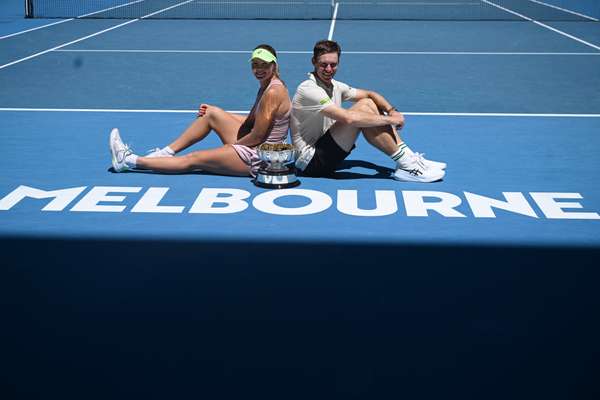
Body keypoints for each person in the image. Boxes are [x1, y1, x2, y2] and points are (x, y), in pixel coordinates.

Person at [109, 44, 291, 177]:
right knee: (211, 113)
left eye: (264, 65)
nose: (259, 69)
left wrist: (232, 147)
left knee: (194, 159)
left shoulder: (273, 92)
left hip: (259, 157)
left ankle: (129, 160)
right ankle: (164, 153)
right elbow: (253, 120)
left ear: (274, 65)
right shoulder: (266, 86)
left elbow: (258, 135)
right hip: (256, 145)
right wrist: (220, 113)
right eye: (255, 64)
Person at [291, 40, 446, 182]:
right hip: (310, 163)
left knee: (367, 103)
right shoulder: (308, 89)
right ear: (313, 62)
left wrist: (392, 111)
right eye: (323, 64)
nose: (329, 69)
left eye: (333, 64)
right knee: (362, 110)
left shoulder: (335, 86)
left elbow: (370, 94)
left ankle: (408, 158)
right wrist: (391, 120)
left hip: (325, 151)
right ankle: (407, 165)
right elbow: (348, 119)